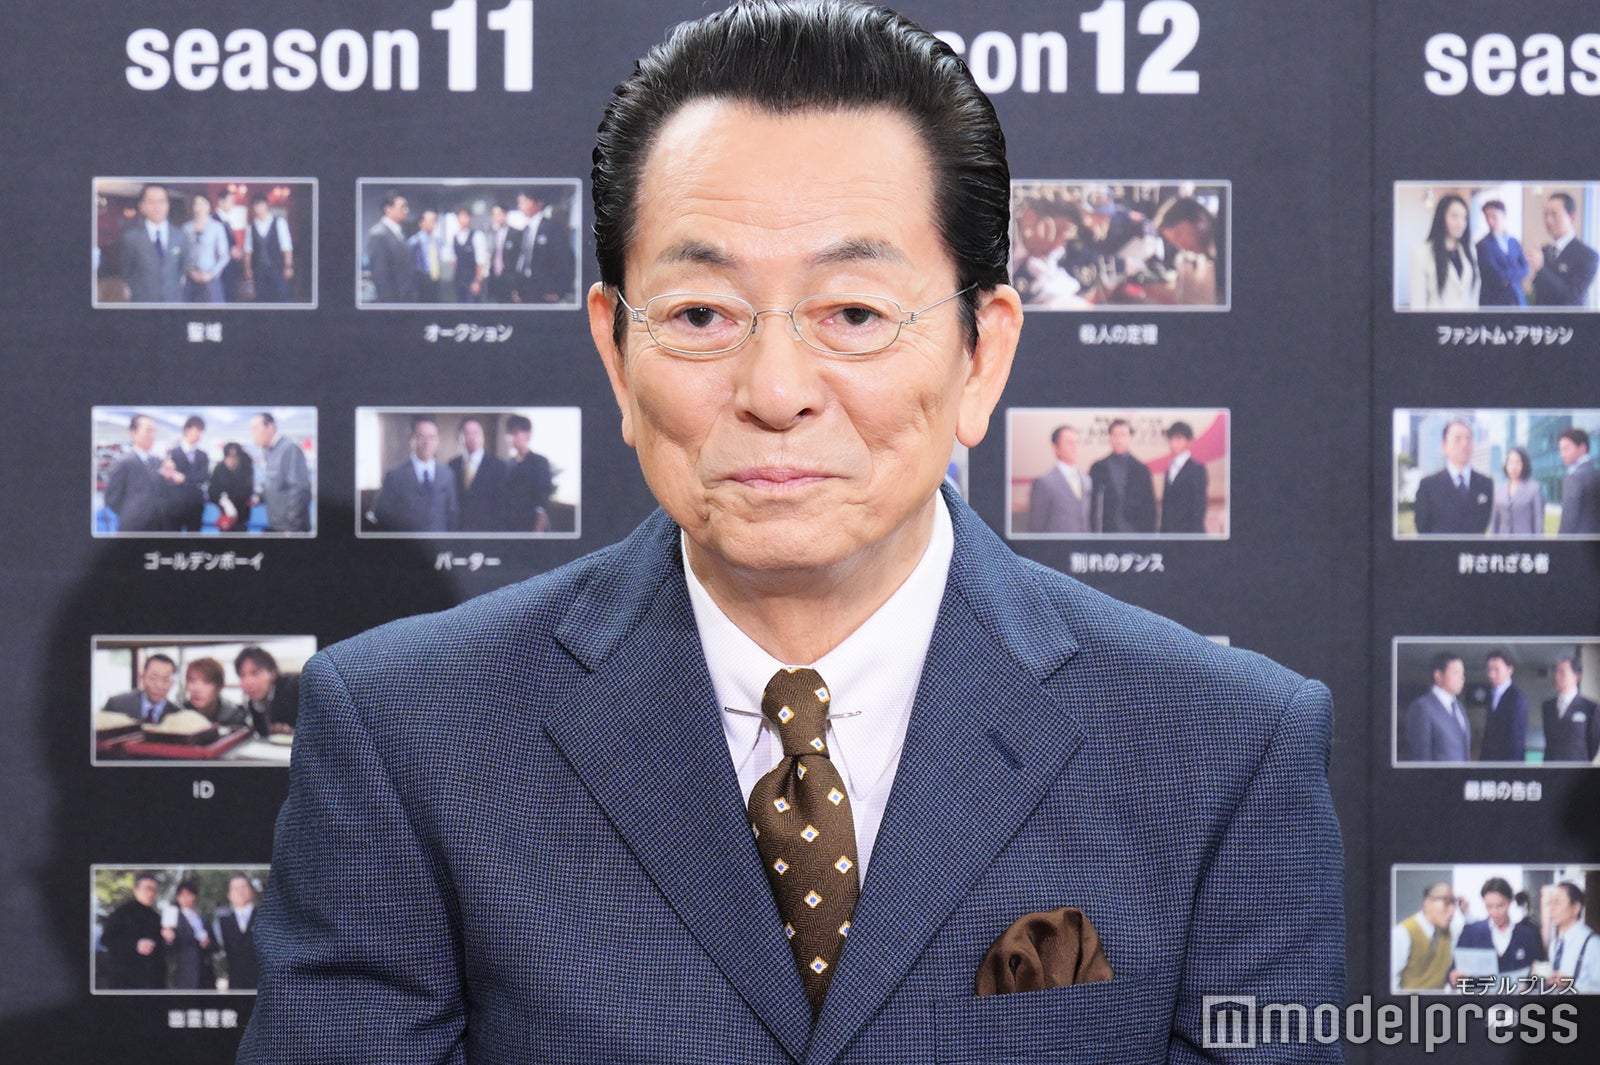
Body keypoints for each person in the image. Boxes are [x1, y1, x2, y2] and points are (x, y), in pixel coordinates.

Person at [240, 5, 1342, 1062]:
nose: (775, 391)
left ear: (981, 355)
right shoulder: (407, 733)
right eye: (700, 315)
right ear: (617, 356)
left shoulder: (1223, 749)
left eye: (853, 314)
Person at [372, 415, 459, 533]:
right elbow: (380, 514)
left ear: (438, 441)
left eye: (432, 437)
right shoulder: (395, 476)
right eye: (421, 436)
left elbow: (452, 514)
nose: (427, 442)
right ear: (410, 439)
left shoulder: (447, 475)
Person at [1449, 877, 1544, 984]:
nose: (1494, 912)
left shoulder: (1529, 935)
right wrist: (1454, 978)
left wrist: (1529, 984)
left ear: (1510, 901)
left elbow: (1541, 973)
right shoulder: (1470, 933)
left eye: (1500, 906)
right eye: (1489, 906)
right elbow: (1453, 971)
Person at [1411, 419, 1491, 535]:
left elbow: (1485, 523)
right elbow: (1422, 528)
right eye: (1457, 439)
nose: (1464, 444)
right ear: (1444, 445)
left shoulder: (1486, 484)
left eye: (1468, 439)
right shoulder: (1428, 486)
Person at [102, 413, 173, 532]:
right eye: (148, 431)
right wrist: (131, 512)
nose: (152, 436)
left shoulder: (157, 462)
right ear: (133, 433)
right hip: (133, 527)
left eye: (154, 431)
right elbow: (111, 499)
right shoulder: (123, 462)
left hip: (158, 525)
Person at [119, 184, 188, 303]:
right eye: (151, 202)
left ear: (168, 205)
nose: (157, 207)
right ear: (142, 206)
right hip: (143, 301)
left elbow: (183, 268)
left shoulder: (180, 235)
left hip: (173, 301)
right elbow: (126, 271)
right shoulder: (130, 237)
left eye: (161, 201)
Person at [1408, 194, 1479, 309]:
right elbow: (1417, 303)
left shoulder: (1470, 250)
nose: (1461, 223)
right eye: (1454, 216)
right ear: (1441, 217)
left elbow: (1474, 295)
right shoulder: (1421, 253)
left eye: (1464, 217)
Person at [1528, 192, 1598, 307]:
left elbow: (1571, 297)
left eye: (1554, 214)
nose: (1548, 220)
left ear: (1571, 217)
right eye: (1545, 215)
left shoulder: (1588, 256)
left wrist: (1541, 268)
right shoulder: (1545, 251)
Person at [1400, 652, 1471, 763]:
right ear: (1438, 675)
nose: (1462, 678)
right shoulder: (1422, 707)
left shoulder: (1459, 707)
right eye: (1456, 673)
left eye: (1463, 673)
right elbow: (1421, 756)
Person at [1089, 418, 1157, 533]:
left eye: (1123, 435)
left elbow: (1150, 509)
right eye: (1115, 435)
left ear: (1130, 438)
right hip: (1106, 532)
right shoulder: (1098, 468)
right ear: (1110, 438)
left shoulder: (1142, 470)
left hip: (1134, 533)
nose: (1119, 440)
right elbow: (1091, 506)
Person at [100, 873, 166, 989]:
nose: (151, 893)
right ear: (136, 889)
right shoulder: (121, 913)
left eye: (154, 890)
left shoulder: (156, 917)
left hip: (152, 981)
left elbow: (161, 949)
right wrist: (134, 945)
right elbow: (106, 939)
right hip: (126, 980)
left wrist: (167, 939)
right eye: (148, 888)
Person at [250, 412, 311, 533]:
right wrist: (259, 497)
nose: (252, 434)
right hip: (276, 525)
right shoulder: (269, 452)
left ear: (270, 427)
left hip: (289, 529)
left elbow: (299, 489)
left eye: (255, 428)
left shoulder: (289, 449)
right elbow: (275, 484)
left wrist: (292, 529)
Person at [1391, 882, 1458, 992]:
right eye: (1446, 903)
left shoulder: (1449, 932)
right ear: (1428, 902)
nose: (1452, 911)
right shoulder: (1403, 933)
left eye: (1454, 904)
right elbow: (1390, 982)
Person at [1153, 197, 1220, 306]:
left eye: (1179, 234)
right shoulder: (1193, 258)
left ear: (1200, 220)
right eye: (1174, 242)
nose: (1180, 246)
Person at [514, 190, 576, 303]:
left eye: (524, 202)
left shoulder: (551, 227)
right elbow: (521, 260)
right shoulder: (526, 230)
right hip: (526, 287)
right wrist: (517, 288)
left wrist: (559, 291)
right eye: (519, 202)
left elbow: (565, 259)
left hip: (546, 290)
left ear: (537, 203)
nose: (520, 206)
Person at [1026, 424, 1090, 533]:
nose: (1074, 447)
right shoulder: (1044, 483)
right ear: (1055, 447)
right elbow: (1036, 526)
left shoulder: (1087, 480)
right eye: (1069, 443)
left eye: (1076, 442)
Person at [448, 416, 509, 531]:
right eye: (467, 433)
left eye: (476, 433)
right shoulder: (452, 465)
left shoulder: (498, 466)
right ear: (459, 438)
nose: (473, 437)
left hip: (487, 531)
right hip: (459, 531)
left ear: (483, 436)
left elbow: (502, 507)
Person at [501, 413, 554, 533]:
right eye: (509, 433)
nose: (512, 437)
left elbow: (542, 502)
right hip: (510, 526)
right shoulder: (509, 464)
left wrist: (537, 532)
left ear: (528, 434)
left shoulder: (539, 462)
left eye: (516, 433)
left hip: (530, 525)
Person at [1541, 655, 1597, 763]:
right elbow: (1548, 740)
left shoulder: (1590, 707)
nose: (1557, 676)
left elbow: (1593, 744)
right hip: (1551, 766)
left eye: (1562, 672)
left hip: (1577, 767)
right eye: (1556, 672)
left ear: (1577, 677)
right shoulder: (1547, 706)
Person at [235, 646, 299, 737]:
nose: (248, 682)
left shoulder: (295, 686)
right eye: (242, 675)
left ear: (273, 673)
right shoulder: (253, 704)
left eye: (255, 673)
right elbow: (264, 736)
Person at [1156, 420, 1207, 534]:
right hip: (1169, 533)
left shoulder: (1197, 469)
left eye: (1178, 439)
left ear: (1190, 442)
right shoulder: (1169, 468)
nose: (1173, 443)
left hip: (1189, 533)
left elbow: (1198, 509)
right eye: (1171, 439)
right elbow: (1166, 506)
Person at [1474, 200, 1528, 307]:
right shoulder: (1482, 245)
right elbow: (1495, 273)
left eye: (1494, 216)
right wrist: (1515, 273)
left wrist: (1508, 277)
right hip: (1495, 300)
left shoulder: (1513, 242)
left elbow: (1525, 268)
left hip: (1517, 299)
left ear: (1504, 215)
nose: (1490, 221)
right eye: (1487, 217)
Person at [164, 879, 215, 990]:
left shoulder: (203, 918)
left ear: (195, 896)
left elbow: (215, 945)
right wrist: (169, 940)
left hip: (206, 974)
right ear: (177, 898)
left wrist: (208, 943)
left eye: (189, 894)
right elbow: (167, 948)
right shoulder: (173, 918)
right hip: (184, 974)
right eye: (181, 895)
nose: (185, 898)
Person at [1548, 883, 1600, 993]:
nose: (1551, 908)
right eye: (1550, 902)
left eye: (1557, 902)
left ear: (1576, 908)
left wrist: (1573, 984)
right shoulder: (1554, 944)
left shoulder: (1593, 945)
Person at [243, 194, 295, 303]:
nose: (259, 208)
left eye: (261, 205)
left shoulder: (279, 222)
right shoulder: (250, 226)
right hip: (259, 270)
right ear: (253, 208)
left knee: (281, 298)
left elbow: (287, 247)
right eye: (256, 206)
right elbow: (248, 250)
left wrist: (288, 266)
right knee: (261, 299)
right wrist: (247, 268)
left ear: (267, 205)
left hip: (277, 268)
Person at [1478, 650, 1527, 763]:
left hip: (1508, 764)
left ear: (1510, 670)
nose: (1491, 674)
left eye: (1496, 669)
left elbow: (1517, 741)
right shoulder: (1490, 694)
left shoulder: (1517, 698)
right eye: (1489, 669)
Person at [100, 653, 177, 725]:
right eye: (153, 678)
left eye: (166, 680)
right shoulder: (116, 705)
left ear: (172, 683)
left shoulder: (177, 715)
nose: (159, 685)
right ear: (142, 678)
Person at [367, 191, 416, 304]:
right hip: (394, 301)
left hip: (405, 297)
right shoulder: (378, 235)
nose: (407, 210)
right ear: (388, 209)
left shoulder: (399, 232)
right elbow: (380, 277)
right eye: (403, 207)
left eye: (407, 207)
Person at [182, 193, 231, 303]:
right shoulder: (186, 228)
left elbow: (224, 256)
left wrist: (211, 274)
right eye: (196, 204)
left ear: (208, 206)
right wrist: (190, 271)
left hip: (210, 279)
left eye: (202, 204)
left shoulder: (217, 227)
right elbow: (183, 254)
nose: (199, 207)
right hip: (190, 279)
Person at [214, 875, 260, 991]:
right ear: (229, 895)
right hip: (236, 984)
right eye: (235, 888)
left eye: (244, 887)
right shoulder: (223, 922)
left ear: (251, 891)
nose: (240, 892)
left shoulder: (265, 917)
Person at [164, 414, 209, 533]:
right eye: (197, 430)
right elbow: (168, 477)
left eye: (201, 431)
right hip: (175, 505)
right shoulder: (172, 454)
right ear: (187, 430)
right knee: (173, 539)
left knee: (194, 539)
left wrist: (184, 479)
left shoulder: (203, 455)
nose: (200, 434)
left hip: (195, 505)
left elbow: (203, 477)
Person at [1489, 446, 1544, 536]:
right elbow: (1494, 522)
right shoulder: (1498, 490)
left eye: (1518, 463)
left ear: (1524, 464)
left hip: (1525, 542)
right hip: (1502, 542)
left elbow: (1538, 522)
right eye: (1510, 463)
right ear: (1506, 465)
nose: (1513, 467)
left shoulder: (1534, 489)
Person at [1557, 427, 1600, 535]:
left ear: (1582, 448)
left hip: (1578, 541)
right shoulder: (1596, 473)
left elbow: (1568, 520)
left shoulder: (1574, 478)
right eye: (1561, 450)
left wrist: (1559, 542)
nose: (1562, 454)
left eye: (1566, 449)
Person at [182, 657, 247, 727]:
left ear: (218, 687)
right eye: (192, 681)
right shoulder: (180, 712)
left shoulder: (234, 715)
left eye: (206, 682)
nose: (197, 689)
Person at [208, 441, 255, 532]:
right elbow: (212, 492)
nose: (231, 461)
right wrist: (223, 500)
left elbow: (248, 491)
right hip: (224, 517)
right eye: (228, 457)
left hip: (242, 516)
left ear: (239, 458)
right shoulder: (219, 469)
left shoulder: (246, 469)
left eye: (234, 457)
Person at [449, 206, 488, 304]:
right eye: (460, 216)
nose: (463, 219)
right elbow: (453, 260)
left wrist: (477, 281)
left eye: (465, 217)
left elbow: (481, 262)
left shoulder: (477, 236)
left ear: (470, 218)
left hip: (473, 280)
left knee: (473, 308)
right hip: (459, 281)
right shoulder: (454, 237)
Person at [213, 188, 245, 302]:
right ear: (221, 202)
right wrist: (230, 251)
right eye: (231, 201)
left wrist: (237, 251)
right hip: (220, 270)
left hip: (230, 268)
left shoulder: (227, 220)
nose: (233, 204)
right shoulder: (214, 220)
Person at [409, 208, 443, 303]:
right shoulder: (414, 241)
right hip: (421, 279)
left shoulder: (437, 240)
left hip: (435, 278)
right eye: (431, 221)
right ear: (421, 223)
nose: (434, 223)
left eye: (435, 220)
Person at [487, 203, 519, 303]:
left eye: (499, 214)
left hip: (510, 277)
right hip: (494, 277)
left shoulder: (515, 233)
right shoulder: (490, 233)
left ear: (506, 215)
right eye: (494, 215)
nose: (496, 217)